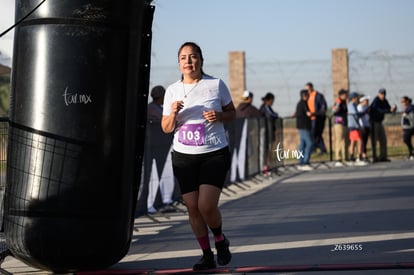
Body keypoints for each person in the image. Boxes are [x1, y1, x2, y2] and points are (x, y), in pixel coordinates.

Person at [161, 42, 235, 270]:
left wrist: (219, 116)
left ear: (201, 60)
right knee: (192, 207)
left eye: (193, 57)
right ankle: (206, 254)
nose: (188, 62)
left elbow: (232, 113)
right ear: (179, 63)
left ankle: (220, 240)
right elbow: (166, 127)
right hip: (184, 156)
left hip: (213, 153)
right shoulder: (172, 90)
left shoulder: (216, 84)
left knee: (206, 205)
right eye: (183, 58)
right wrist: (173, 112)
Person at [369, 88, 397, 162]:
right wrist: (388, 110)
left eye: (383, 94)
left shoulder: (384, 100)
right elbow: (378, 110)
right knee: (374, 140)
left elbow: (388, 108)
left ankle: (383, 156)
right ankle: (374, 157)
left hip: (380, 122)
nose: (382, 95)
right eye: (381, 94)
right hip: (374, 122)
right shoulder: (376, 101)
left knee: (383, 140)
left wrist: (392, 109)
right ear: (378, 94)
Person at [305, 82, 327, 155]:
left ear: (311, 88)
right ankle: (319, 149)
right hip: (309, 118)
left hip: (317, 118)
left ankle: (318, 149)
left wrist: (316, 113)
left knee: (316, 134)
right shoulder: (307, 96)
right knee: (313, 134)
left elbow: (323, 107)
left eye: (308, 89)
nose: (307, 91)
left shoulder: (318, 95)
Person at [347, 92, 367, 165]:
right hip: (353, 125)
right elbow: (355, 114)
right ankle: (358, 157)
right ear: (354, 98)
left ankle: (352, 157)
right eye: (356, 97)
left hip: (354, 125)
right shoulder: (351, 105)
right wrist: (363, 113)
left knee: (353, 141)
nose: (357, 99)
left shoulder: (353, 105)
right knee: (359, 141)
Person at [295, 89, 313, 171]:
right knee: (309, 143)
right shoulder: (302, 104)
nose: (308, 97)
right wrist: (314, 113)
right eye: (307, 95)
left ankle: (301, 162)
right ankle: (305, 162)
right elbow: (308, 113)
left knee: (302, 145)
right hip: (303, 127)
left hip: (303, 126)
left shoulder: (303, 103)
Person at [332, 89, 348, 165]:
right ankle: (338, 158)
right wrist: (337, 108)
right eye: (345, 95)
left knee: (344, 140)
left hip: (344, 123)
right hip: (339, 123)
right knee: (339, 140)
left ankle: (345, 157)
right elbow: (334, 110)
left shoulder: (344, 102)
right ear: (341, 95)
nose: (346, 96)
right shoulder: (339, 101)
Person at [357, 96, 371, 161]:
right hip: (362, 126)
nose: (367, 102)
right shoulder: (359, 107)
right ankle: (360, 155)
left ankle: (364, 154)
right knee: (361, 141)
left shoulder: (366, 107)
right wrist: (366, 111)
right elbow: (359, 114)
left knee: (365, 141)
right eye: (366, 100)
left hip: (367, 125)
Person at [401, 96, 414, 160]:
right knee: (407, 140)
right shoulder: (406, 108)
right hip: (406, 127)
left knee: (406, 140)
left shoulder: (410, 108)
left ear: (407, 101)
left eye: (403, 102)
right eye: (401, 102)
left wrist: (406, 116)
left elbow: (412, 118)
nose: (402, 103)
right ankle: (411, 153)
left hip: (409, 127)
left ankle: (412, 153)